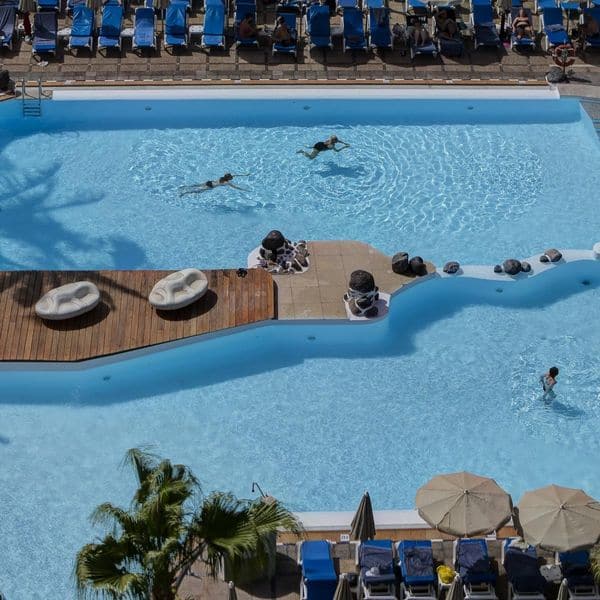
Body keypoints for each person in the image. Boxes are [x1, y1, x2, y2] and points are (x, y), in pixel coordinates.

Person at [179, 173, 249, 196]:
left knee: (197, 185)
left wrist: (244, 175)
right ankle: (184, 193)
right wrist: (244, 190)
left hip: (209, 182)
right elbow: (235, 187)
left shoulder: (222, 177)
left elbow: (235, 175)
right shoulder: (227, 182)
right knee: (197, 191)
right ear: (229, 178)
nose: (232, 177)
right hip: (210, 186)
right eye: (231, 177)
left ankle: (184, 187)